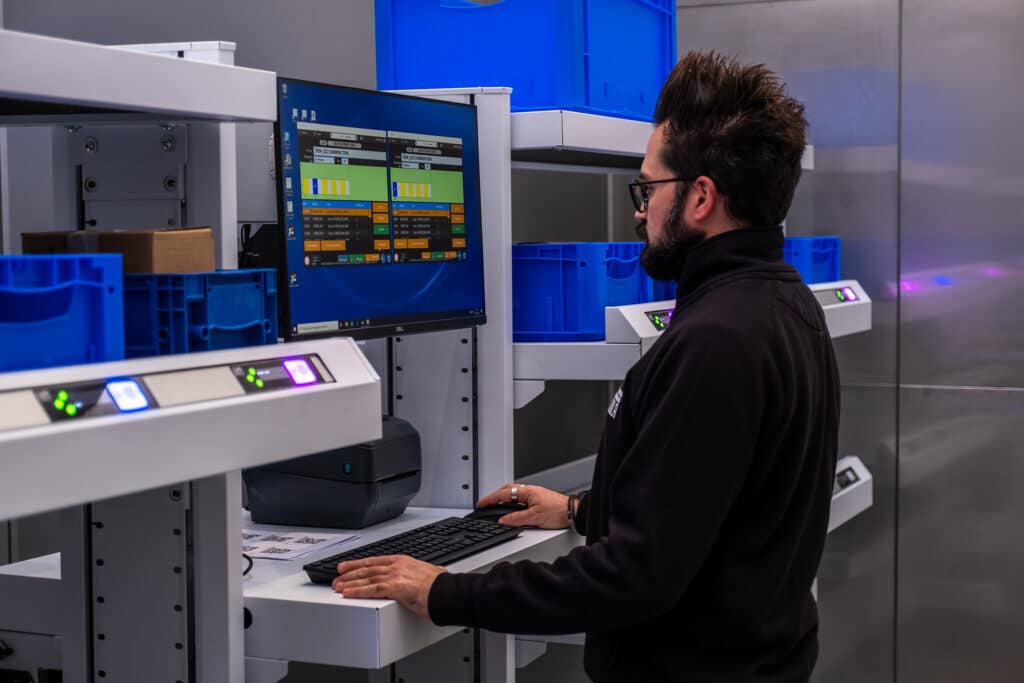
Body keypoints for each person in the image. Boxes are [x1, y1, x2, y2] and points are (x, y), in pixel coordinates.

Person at [332, 51, 840, 682]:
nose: (639, 210)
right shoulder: (786, 305)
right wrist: (579, 511)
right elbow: (709, 505)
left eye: (649, 188)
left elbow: (635, 578)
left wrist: (445, 592)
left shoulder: (717, 341)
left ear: (701, 197)